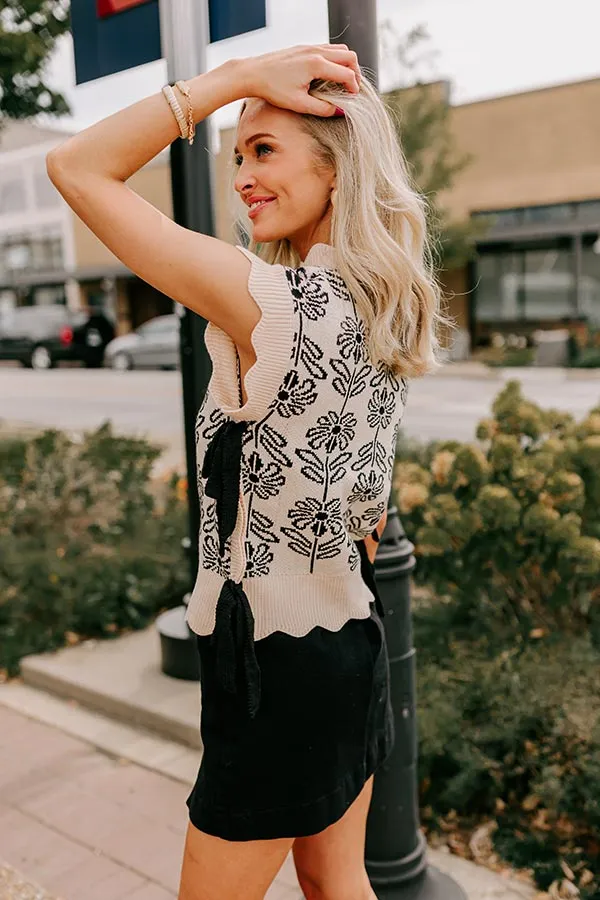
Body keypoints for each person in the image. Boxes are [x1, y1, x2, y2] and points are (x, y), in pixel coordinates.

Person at [47, 44, 450, 900]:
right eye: (238, 155)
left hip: (273, 668)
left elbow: (76, 167)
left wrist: (232, 79)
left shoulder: (278, 303)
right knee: (340, 885)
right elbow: (366, 511)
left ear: (336, 169)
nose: (242, 177)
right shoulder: (381, 300)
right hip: (350, 644)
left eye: (263, 150)